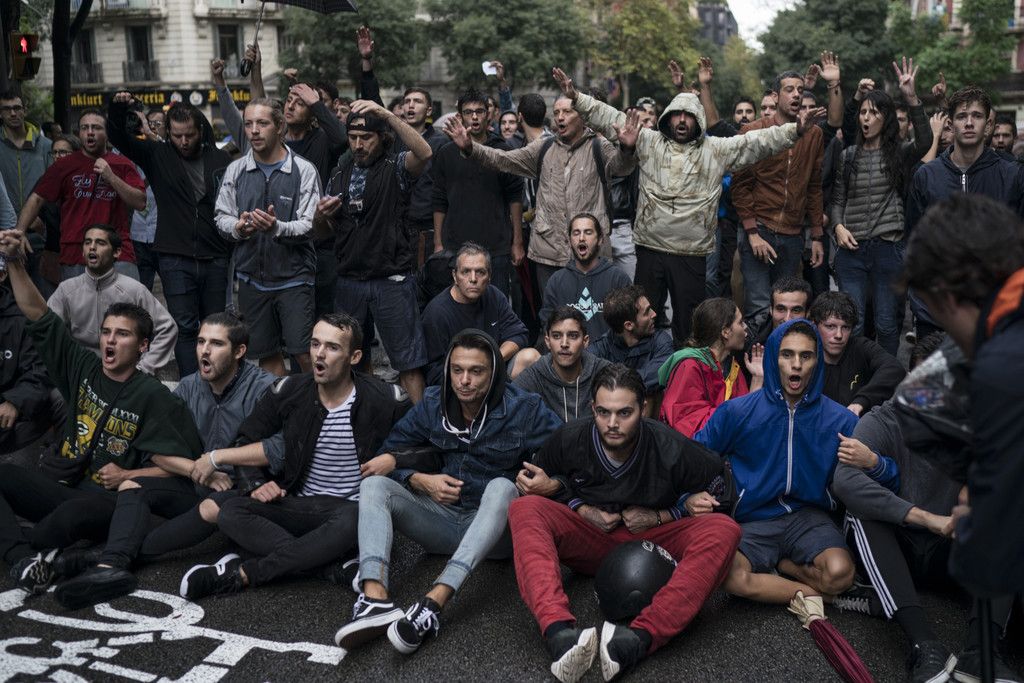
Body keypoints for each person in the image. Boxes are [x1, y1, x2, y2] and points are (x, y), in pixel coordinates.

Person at [550, 66, 824, 346]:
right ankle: (644, 369)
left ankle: (686, 368)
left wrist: (795, 130)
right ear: (668, 118)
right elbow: (609, 116)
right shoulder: (648, 141)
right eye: (677, 114)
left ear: (698, 120)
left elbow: (757, 142)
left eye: (688, 115)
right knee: (643, 324)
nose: (682, 120)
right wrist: (576, 98)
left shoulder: (715, 150)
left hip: (691, 253)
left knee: (688, 328)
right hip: (651, 249)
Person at [508, 363, 742, 682]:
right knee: (525, 508)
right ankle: (559, 633)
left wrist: (668, 514)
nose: (612, 424)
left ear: (643, 409)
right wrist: (579, 507)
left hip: (651, 538)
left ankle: (637, 640)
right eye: (603, 412)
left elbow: (723, 488)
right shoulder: (569, 438)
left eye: (624, 413)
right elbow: (537, 479)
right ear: (592, 408)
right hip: (591, 537)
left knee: (725, 530)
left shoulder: (670, 447)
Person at [334, 329, 561, 655]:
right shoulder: (433, 403)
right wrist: (419, 479)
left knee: (501, 487)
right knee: (373, 485)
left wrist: (551, 483)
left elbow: (569, 456)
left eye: (476, 371)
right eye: (457, 370)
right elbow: (391, 453)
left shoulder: (524, 408)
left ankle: (434, 601)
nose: (464, 381)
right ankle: (374, 599)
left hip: (495, 534)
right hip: (442, 520)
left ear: (494, 373)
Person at [0, 230, 201, 595]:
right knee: (6, 476)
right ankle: (24, 560)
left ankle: (39, 549)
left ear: (142, 346)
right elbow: (38, 313)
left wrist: (128, 473)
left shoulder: (155, 397)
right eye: (107, 332)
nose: (110, 340)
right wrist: (14, 261)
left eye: (122, 335)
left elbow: (182, 471)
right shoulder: (84, 367)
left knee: (66, 518)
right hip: (66, 484)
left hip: (108, 502)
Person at [176, 314, 422, 600]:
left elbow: (424, 450)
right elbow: (246, 438)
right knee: (231, 511)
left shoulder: (387, 399)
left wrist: (394, 459)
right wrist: (256, 483)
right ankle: (329, 567)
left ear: (354, 357)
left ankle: (243, 573)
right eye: (315, 344)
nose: (319, 354)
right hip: (300, 503)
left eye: (332, 347)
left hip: (351, 511)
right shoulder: (288, 390)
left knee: (354, 517)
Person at [48, 313, 284, 609]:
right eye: (200, 342)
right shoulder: (187, 387)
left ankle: (102, 556)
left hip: (245, 490)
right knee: (133, 485)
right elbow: (154, 448)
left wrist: (216, 459)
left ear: (239, 351)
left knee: (211, 507)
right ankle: (110, 568)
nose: (204, 351)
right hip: (197, 483)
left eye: (216, 344)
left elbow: (279, 447)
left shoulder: (264, 388)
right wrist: (198, 469)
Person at [830, 332, 1020, 683]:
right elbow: (844, 480)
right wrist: (927, 518)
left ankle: (980, 653)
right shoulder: (884, 419)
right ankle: (924, 647)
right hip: (898, 544)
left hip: (949, 547)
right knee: (860, 513)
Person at [695, 319, 899, 605]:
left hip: (809, 519)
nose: (796, 364)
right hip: (752, 519)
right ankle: (824, 597)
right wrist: (688, 498)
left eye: (806, 356)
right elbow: (693, 458)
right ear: (773, 358)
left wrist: (874, 462)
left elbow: (893, 477)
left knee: (840, 573)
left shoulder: (841, 420)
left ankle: (785, 568)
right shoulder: (737, 411)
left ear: (817, 361)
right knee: (729, 576)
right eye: (787, 354)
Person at [900, 193, 1024, 599]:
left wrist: (976, 521)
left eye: (937, 314)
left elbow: (988, 565)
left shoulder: (1002, 372)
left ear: (948, 297)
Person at [442, 95, 637, 296]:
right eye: (556, 112)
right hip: (548, 255)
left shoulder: (598, 147)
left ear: (582, 116)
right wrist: (470, 148)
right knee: (553, 312)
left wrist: (627, 148)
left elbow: (622, 167)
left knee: (593, 311)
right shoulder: (544, 147)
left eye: (567, 112)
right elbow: (504, 160)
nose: (560, 117)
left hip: (591, 253)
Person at [315, 99, 433, 403]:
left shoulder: (396, 167)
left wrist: (386, 114)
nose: (358, 145)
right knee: (353, 359)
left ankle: (421, 424)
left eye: (366, 137)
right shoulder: (339, 173)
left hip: (391, 279)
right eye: (353, 137)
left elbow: (425, 153)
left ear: (382, 137)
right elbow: (324, 232)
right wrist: (320, 216)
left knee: (408, 362)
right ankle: (366, 416)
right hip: (349, 280)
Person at [109, 92, 233, 378]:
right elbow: (118, 138)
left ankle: (217, 381)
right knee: (184, 327)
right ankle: (191, 387)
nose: (184, 141)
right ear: (168, 133)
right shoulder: (158, 155)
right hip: (175, 256)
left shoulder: (221, 159)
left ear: (200, 130)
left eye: (189, 135)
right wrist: (117, 108)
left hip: (215, 255)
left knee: (215, 327)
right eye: (177, 136)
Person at [831, 58, 933, 355]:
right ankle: (855, 376)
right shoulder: (848, 155)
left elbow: (925, 141)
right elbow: (837, 199)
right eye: (863, 112)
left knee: (887, 325)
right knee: (853, 324)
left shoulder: (899, 153)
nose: (866, 118)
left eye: (873, 112)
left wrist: (911, 98)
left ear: (885, 118)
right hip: (852, 251)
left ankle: (885, 378)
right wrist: (837, 226)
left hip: (888, 250)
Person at [215, 97, 321, 378]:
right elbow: (221, 217)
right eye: (248, 124)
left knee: (303, 352)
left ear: (280, 126)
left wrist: (277, 228)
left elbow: (311, 225)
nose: (254, 131)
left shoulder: (303, 170)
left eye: (262, 123)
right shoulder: (236, 169)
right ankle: (285, 402)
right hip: (252, 279)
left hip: (294, 278)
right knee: (266, 354)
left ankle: (317, 401)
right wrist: (238, 228)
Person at [731, 66, 830, 330]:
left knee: (787, 311)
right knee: (759, 309)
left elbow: (814, 186)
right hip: (759, 229)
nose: (796, 94)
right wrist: (752, 232)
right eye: (789, 89)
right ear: (775, 96)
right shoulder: (753, 131)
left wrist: (816, 235)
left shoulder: (814, 134)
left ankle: (782, 356)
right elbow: (740, 185)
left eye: (800, 90)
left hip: (792, 234)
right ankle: (757, 357)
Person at [14, 109, 145, 281]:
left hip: (117, 252)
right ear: (79, 133)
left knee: (128, 299)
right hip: (76, 253)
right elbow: (37, 198)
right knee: (77, 300)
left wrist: (112, 178)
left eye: (96, 127)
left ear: (107, 133)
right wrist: (20, 232)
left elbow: (140, 202)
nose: (90, 132)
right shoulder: (63, 166)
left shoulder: (122, 164)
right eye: (85, 127)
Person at [48, 224, 177, 374]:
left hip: (125, 375)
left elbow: (167, 328)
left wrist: (143, 368)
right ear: (82, 251)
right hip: (80, 373)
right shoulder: (66, 290)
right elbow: (47, 330)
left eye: (100, 243)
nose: (92, 247)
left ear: (117, 252)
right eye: (88, 242)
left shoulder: (134, 290)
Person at [432, 88, 525, 297]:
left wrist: (517, 242)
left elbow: (515, 196)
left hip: (496, 246)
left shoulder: (502, 150)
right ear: (460, 116)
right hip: (455, 245)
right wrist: (438, 243)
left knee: (496, 302)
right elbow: (439, 199)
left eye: (479, 111)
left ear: (488, 114)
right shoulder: (446, 153)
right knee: (457, 303)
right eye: (468, 112)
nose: (474, 117)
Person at [421, 243, 536, 386]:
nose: (473, 279)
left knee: (531, 357)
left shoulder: (494, 296)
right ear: (455, 276)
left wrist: (491, 360)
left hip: (493, 370)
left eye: (480, 272)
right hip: (459, 382)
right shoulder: (436, 313)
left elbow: (518, 334)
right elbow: (434, 372)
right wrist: (474, 372)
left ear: (489, 276)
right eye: (466, 272)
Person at [659, 298, 762, 438]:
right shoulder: (689, 366)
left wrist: (757, 379)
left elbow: (748, 419)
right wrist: (734, 413)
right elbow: (689, 428)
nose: (745, 328)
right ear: (726, 332)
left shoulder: (732, 368)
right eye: (740, 322)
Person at [809, 291, 905, 416]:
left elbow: (894, 368)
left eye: (845, 327)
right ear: (815, 325)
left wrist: (861, 401)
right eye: (830, 326)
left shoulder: (860, 347)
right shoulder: (806, 354)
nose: (839, 335)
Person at [537, 213, 631, 339]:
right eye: (576, 233)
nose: (581, 238)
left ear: (600, 240)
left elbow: (628, 326)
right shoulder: (556, 281)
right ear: (569, 241)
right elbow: (547, 324)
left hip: (609, 351)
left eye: (588, 232)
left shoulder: (618, 278)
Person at [513, 306, 611, 422]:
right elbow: (507, 408)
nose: (564, 344)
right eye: (556, 336)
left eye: (573, 336)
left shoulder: (603, 372)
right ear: (547, 341)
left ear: (585, 341)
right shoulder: (535, 375)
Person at [589, 285, 673, 402]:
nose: (654, 314)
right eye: (647, 312)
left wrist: (610, 383)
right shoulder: (599, 349)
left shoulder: (661, 342)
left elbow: (657, 377)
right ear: (629, 325)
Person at [0, 269, 52, 454]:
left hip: (7, 412)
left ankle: (60, 461)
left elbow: (39, 371)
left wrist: (14, 402)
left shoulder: (21, 318)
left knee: (58, 399)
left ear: (1, 275)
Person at [394, 87, 451, 245]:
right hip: (399, 225)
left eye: (417, 101)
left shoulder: (441, 142)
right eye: (407, 101)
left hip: (429, 226)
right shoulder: (395, 141)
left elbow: (444, 187)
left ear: (429, 110)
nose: (411, 105)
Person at [0, 90, 51, 218]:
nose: (13, 113)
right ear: (0, 113)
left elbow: (54, 186)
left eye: (17, 108)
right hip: (5, 223)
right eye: (7, 109)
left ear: (25, 111)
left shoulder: (46, 146)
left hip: (40, 222)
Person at [747, 275, 813, 349]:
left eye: (796, 310)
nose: (787, 319)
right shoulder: (752, 340)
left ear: (807, 313)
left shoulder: (818, 344)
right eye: (781, 309)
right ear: (771, 310)